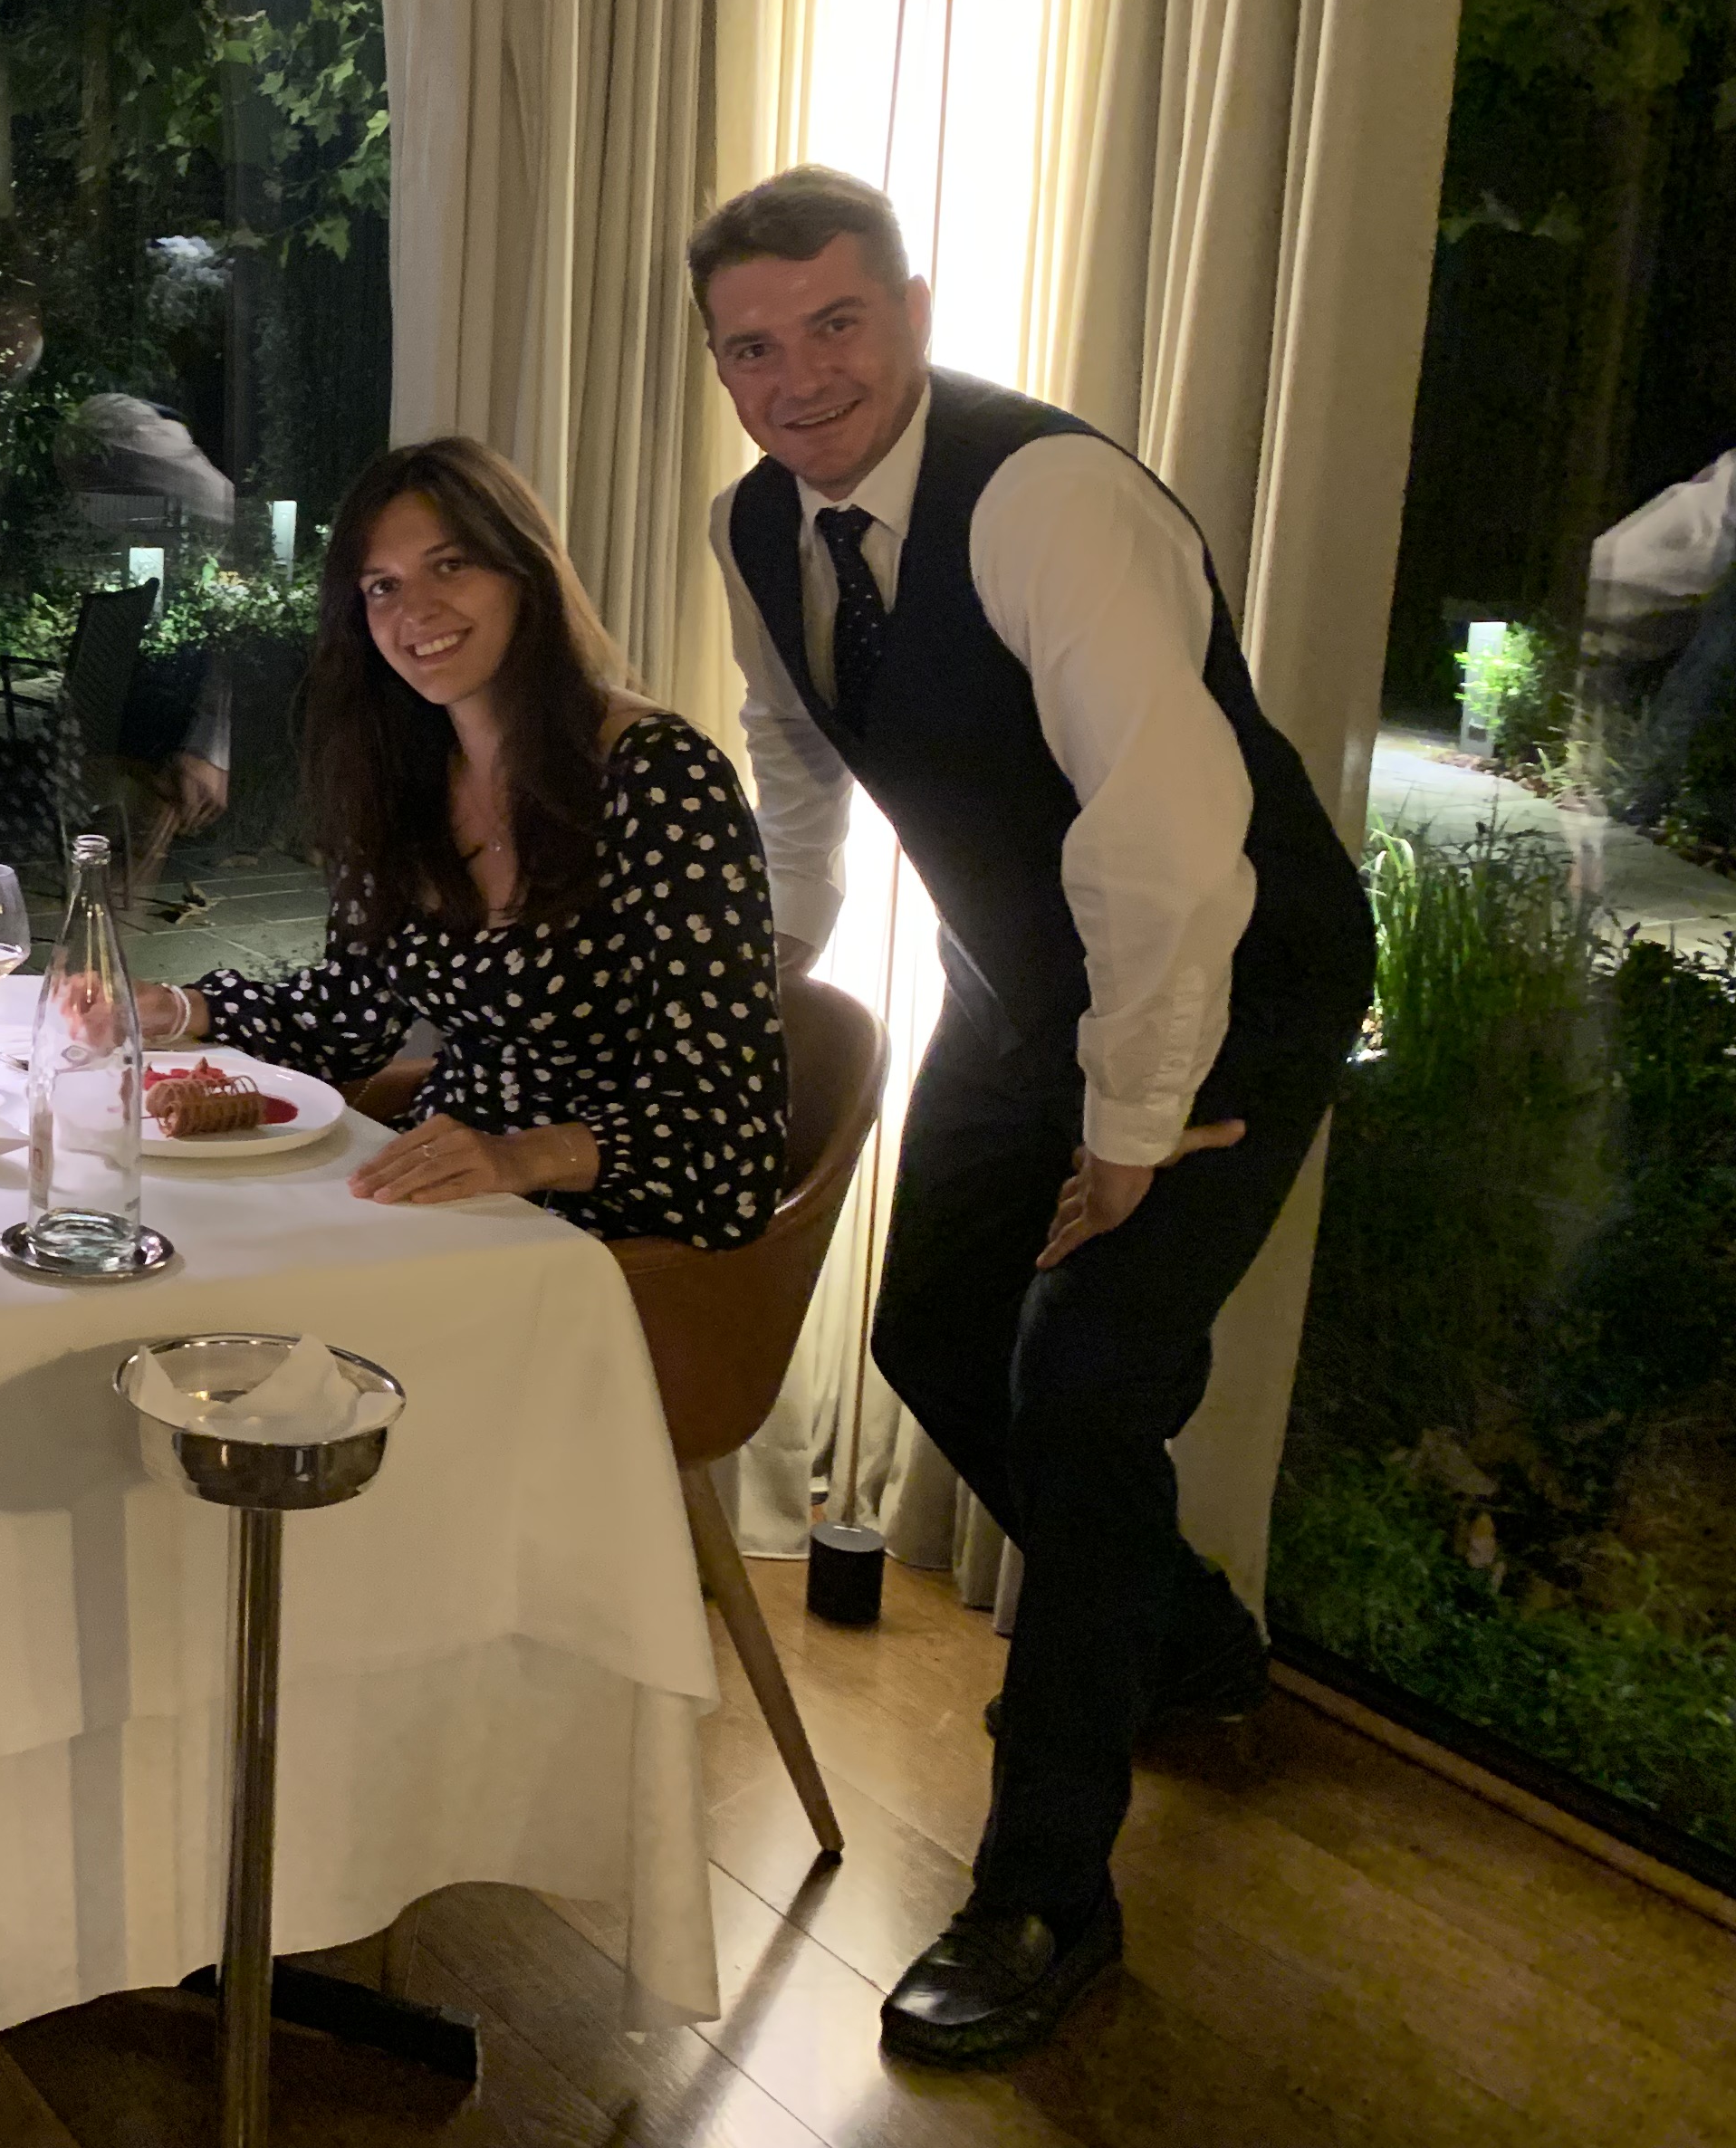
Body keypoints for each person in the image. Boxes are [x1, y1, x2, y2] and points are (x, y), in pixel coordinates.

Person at [689, 165, 1373, 2065]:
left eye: (837, 322)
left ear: (910, 312)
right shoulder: (759, 525)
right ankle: (1181, 1637)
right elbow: (797, 769)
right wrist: (771, 976)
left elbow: (1166, 842)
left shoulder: (1048, 501)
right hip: (1017, 980)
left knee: (1081, 1388)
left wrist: (1133, 1123)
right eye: (753, 345)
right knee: (927, 1327)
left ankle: (1045, 1891)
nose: (799, 376)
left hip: (1224, 978)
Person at [135, 436, 789, 1248]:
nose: (415, 612)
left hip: (600, 1230)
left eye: (450, 566)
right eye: (382, 586)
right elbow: (353, 1015)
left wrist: (520, 1158)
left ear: (526, 572)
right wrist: (178, 1009)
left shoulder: (661, 777)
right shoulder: (406, 776)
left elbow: (731, 1140)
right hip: (438, 1198)